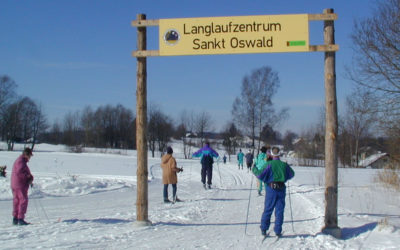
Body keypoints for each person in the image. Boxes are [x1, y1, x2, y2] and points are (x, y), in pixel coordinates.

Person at [255, 146, 295, 237]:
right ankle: (278, 230)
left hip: (271, 189)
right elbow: (292, 174)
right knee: (279, 210)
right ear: (279, 154)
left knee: (268, 209)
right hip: (281, 189)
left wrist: (254, 169)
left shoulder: (269, 164)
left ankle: (264, 229)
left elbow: (260, 175)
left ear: (271, 154)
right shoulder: (284, 165)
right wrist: (284, 177)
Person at [11, 147, 34, 225]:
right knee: (23, 200)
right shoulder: (21, 162)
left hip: (15, 183)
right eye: (29, 156)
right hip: (20, 184)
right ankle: (20, 218)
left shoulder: (20, 161)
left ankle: (15, 218)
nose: (30, 158)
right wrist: (28, 178)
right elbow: (20, 172)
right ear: (26, 154)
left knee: (16, 200)